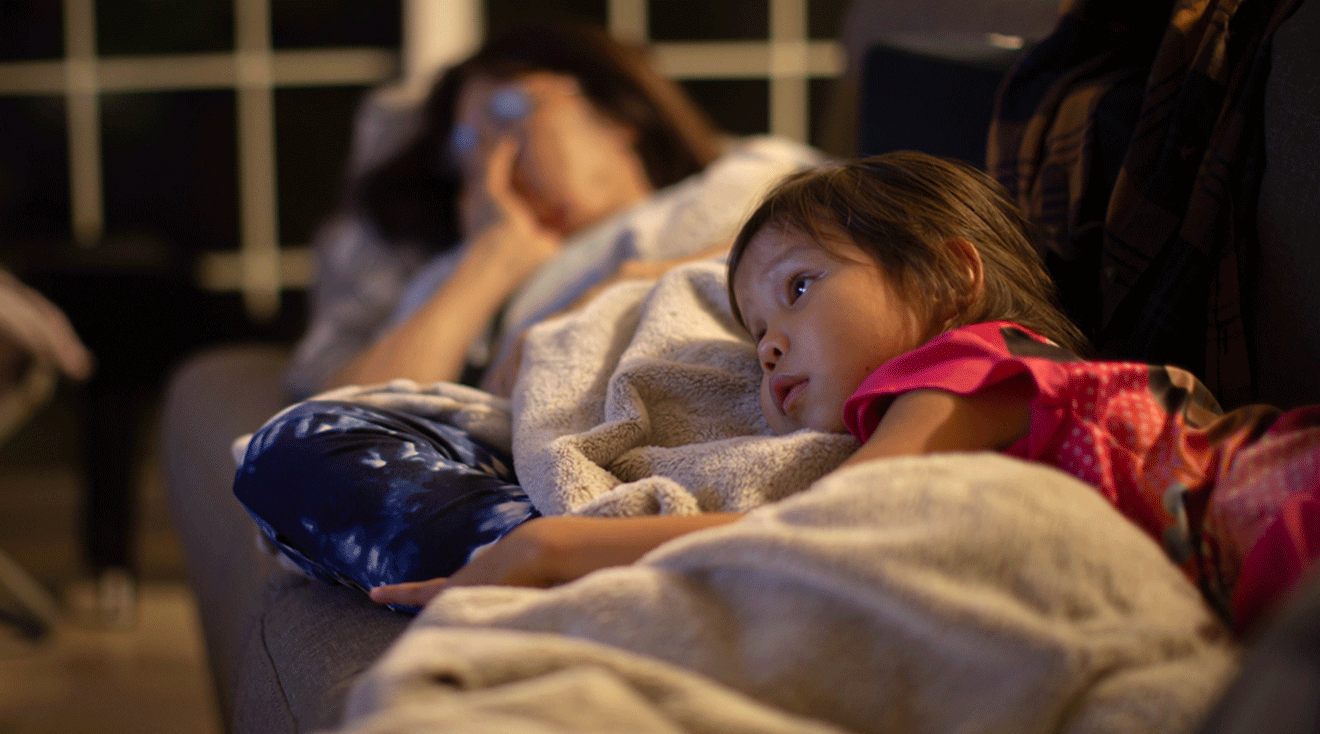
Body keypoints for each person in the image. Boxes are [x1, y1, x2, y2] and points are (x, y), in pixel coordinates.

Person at [371, 152, 1319, 639]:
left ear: (951, 278)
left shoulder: (973, 362)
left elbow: (829, 538)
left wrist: (546, 544)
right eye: (752, 332)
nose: (768, 344)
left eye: (798, 287)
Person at [232, 21, 823, 606]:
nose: (498, 162)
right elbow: (346, 407)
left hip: (715, 425)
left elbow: (848, 254)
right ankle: (573, 554)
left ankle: (577, 556)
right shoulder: (465, 271)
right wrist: (492, 258)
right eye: (469, 147)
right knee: (290, 457)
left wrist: (627, 283)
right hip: (543, 469)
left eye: (513, 112)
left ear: (618, 114)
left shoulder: (744, 174)